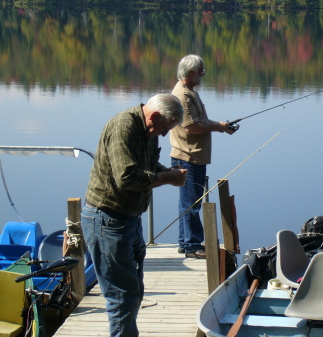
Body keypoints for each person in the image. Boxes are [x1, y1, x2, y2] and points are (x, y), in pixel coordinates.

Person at [81, 93, 187, 337]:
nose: (162, 134)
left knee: (133, 290)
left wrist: (166, 171)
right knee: (122, 295)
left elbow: (147, 166)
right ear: (156, 115)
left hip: (128, 220)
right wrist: (168, 178)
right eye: (163, 129)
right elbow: (127, 177)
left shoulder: (148, 129)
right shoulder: (124, 126)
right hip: (107, 220)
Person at [170, 54, 234, 259]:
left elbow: (199, 121)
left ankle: (185, 243)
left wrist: (221, 127)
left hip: (192, 156)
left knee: (187, 202)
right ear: (190, 73)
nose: (203, 74)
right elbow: (191, 127)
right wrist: (218, 127)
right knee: (192, 203)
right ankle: (192, 246)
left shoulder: (188, 92)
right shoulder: (183, 95)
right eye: (200, 70)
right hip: (188, 157)